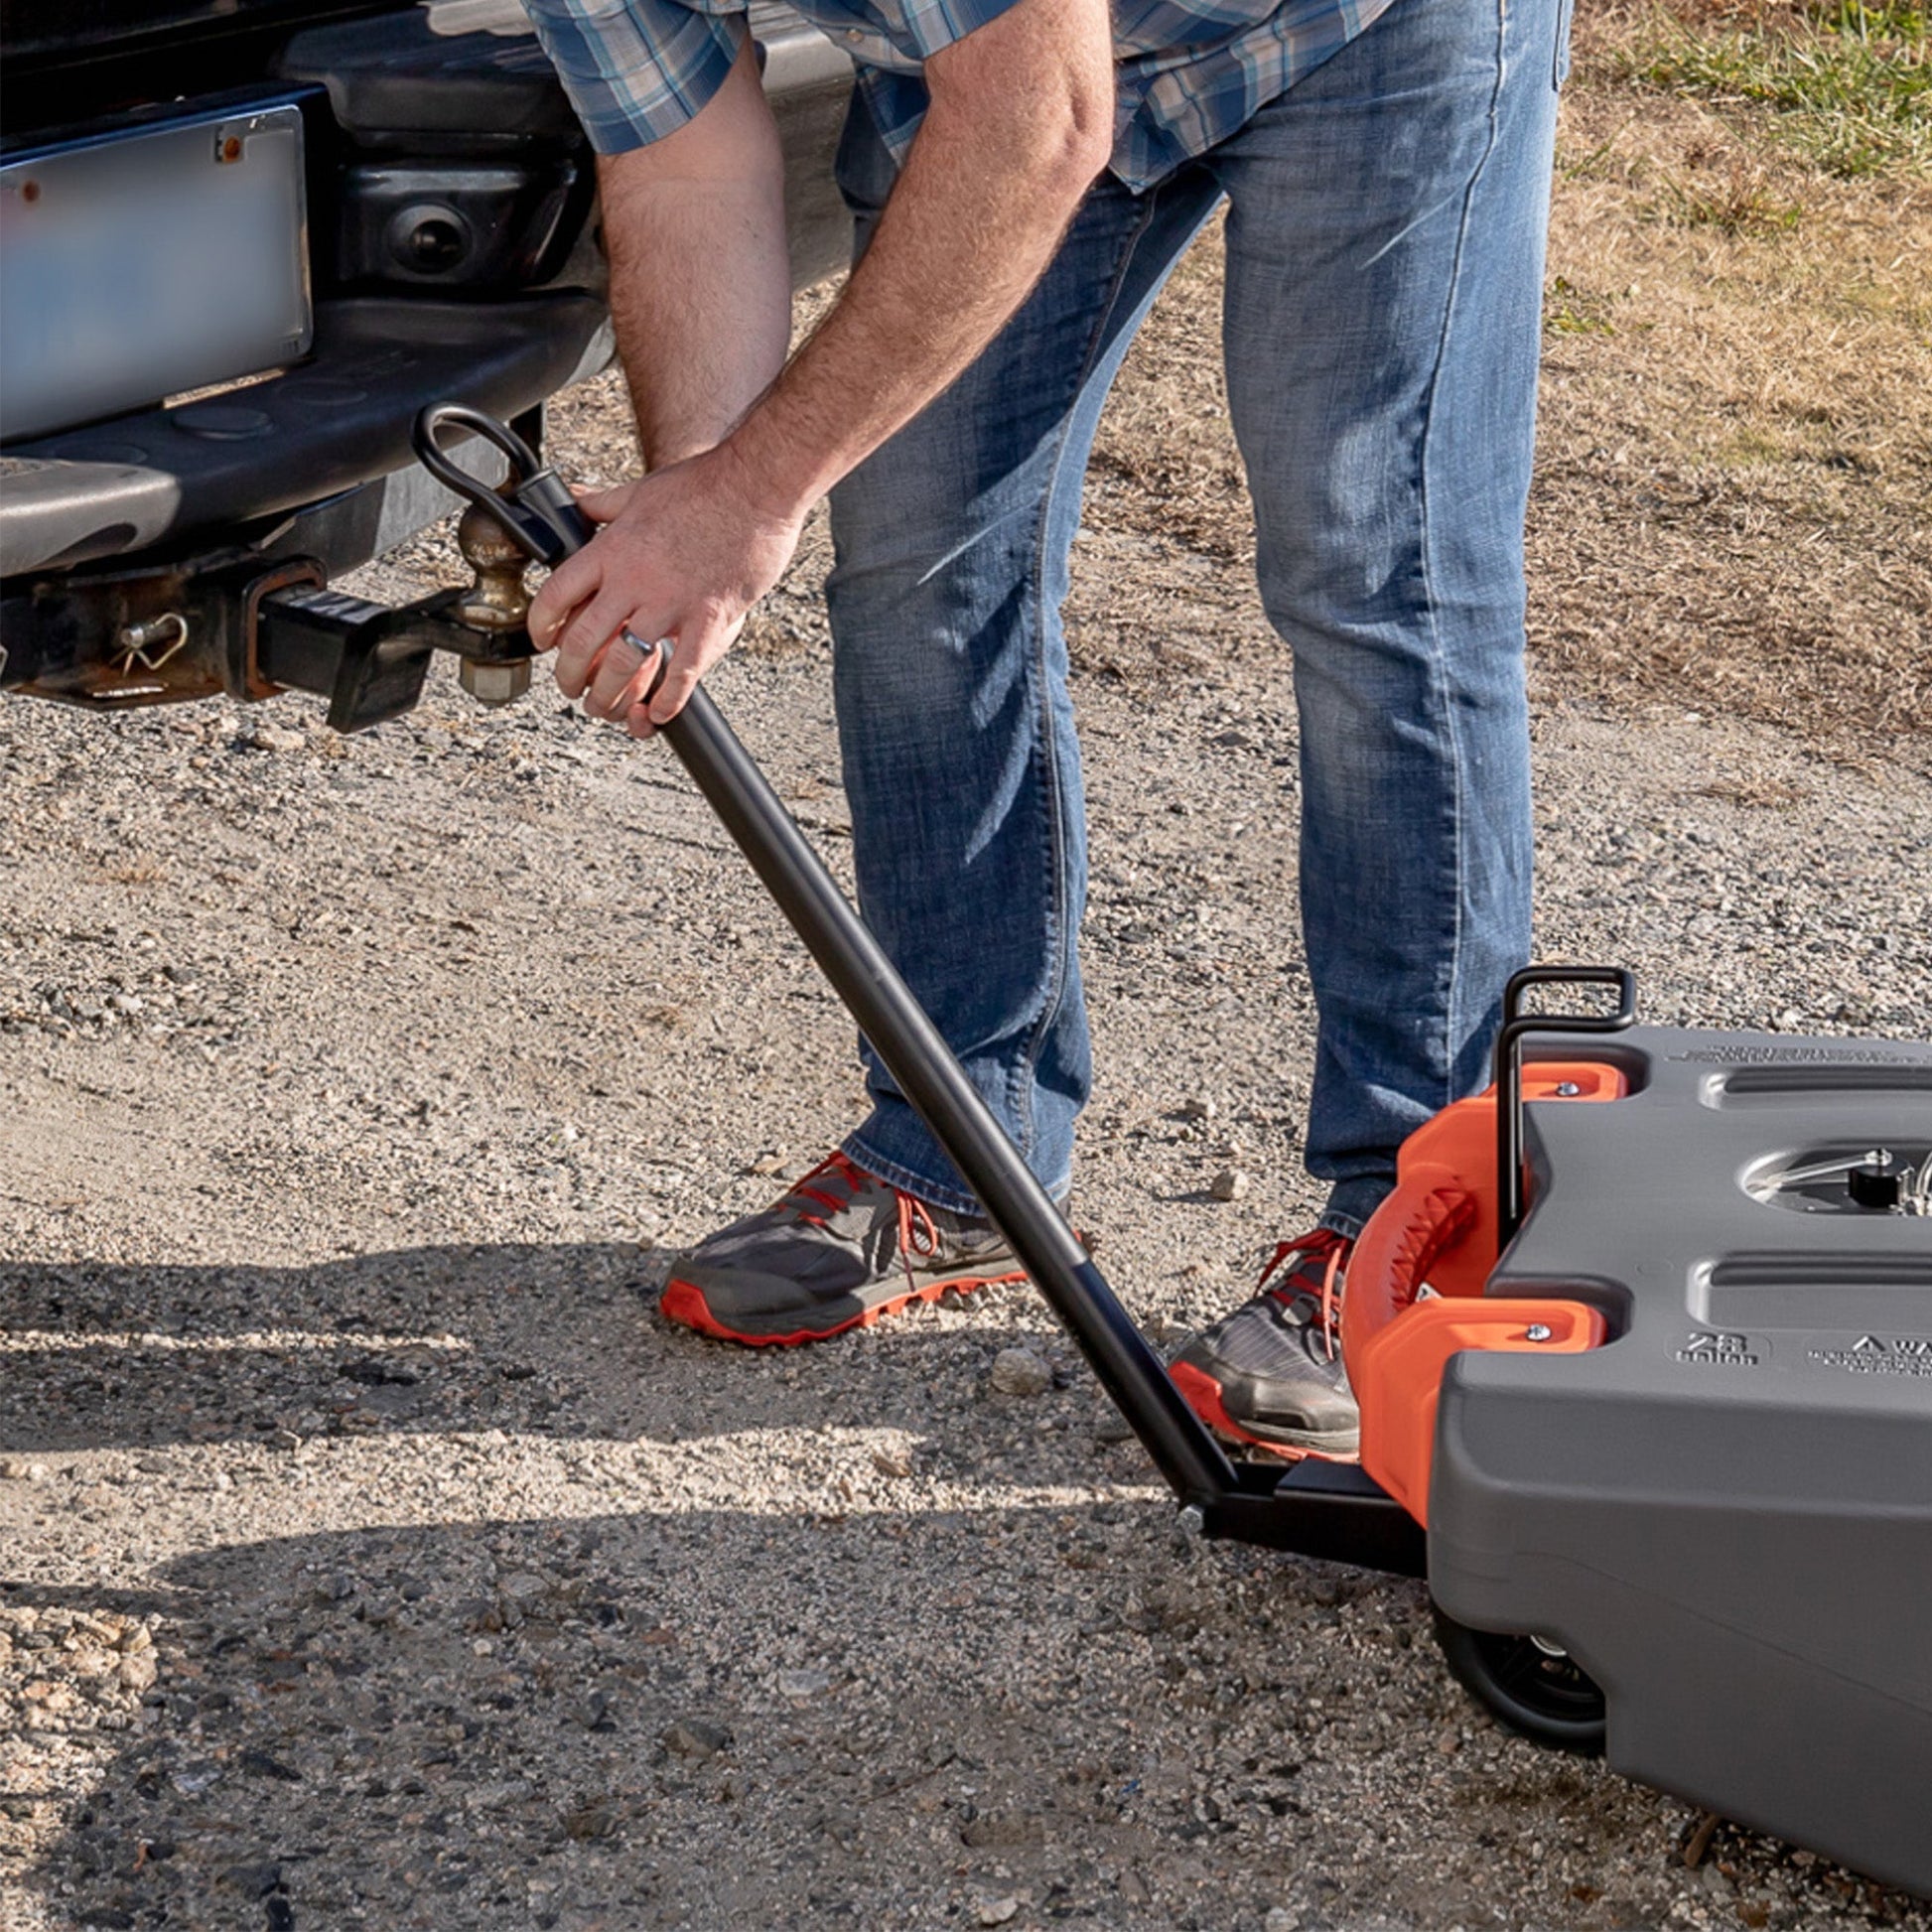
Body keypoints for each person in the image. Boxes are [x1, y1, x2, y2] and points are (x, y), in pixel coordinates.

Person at [523, 0, 1571, 1459]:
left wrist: (748, 497)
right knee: (910, 551)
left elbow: (1040, 124)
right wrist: (701, 497)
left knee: (1372, 569)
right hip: (1010, 61)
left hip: (1358, 34)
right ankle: (964, 1142)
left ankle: (1419, 1220)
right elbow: (686, 167)